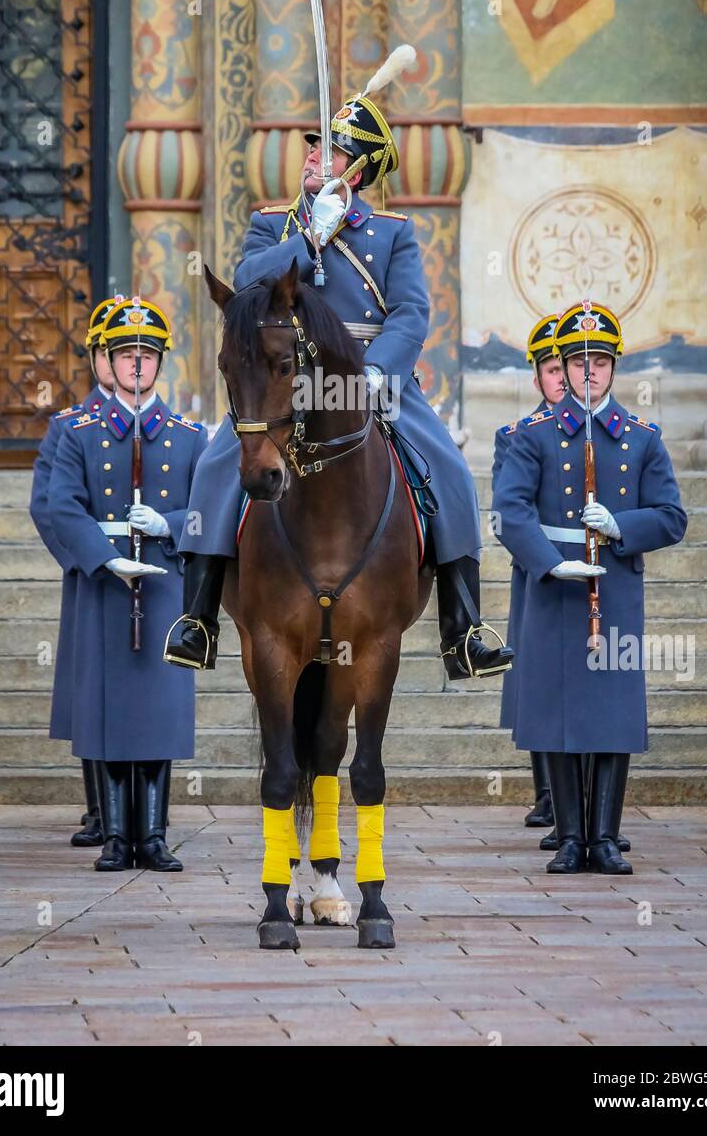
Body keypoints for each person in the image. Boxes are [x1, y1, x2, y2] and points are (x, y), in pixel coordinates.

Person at [166, 60, 511, 683]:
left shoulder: (392, 234)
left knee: (451, 472)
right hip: (282, 379)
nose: (314, 157)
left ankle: (464, 628)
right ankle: (197, 618)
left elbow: (410, 312)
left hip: (365, 384)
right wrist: (308, 237)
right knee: (219, 466)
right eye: (316, 146)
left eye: (331, 150)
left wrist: (379, 372)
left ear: (357, 169)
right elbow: (247, 284)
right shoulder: (274, 225)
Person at [494, 301, 687, 874]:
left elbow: (672, 516)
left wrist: (622, 526)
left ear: (613, 367)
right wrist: (550, 564)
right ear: (564, 368)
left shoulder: (642, 438)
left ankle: (605, 836)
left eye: (599, 361)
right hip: (555, 586)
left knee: (610, 712)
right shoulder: (533, 435)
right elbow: (509, 511)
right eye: (578, 362)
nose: (588, 372)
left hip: (616, 583)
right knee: (556, 712)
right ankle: (571, 836)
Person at [48, 297, 208, 871]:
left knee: (158, 709)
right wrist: (105, 559)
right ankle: (117, 836)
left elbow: (214, 512)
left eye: (146, 354)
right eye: (125, 354)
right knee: (109, 709)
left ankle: (156, 836)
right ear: (106, 361)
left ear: (160, 362)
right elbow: (60, 506)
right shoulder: (79, 432)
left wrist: (169, 525)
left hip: (163, 580)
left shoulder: (191, 436)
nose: (136, 365)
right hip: (106, 583)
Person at [29, 295, 123, 848]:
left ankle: (139, 818)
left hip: (150, 577)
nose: (126, 362)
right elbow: (47, 504)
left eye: (138, 351)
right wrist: (88, 556)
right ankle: (97, 809)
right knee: (92, 693)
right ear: (95, 358)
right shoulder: (69, 426)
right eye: (114, 352)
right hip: (93, 575)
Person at [491, 315, 565, 829]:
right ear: (537, 376)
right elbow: (507, 513)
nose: (563, 378)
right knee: (538, 683)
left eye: (570, 366)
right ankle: (547, 793)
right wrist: (549, 561)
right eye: (552, 369)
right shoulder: (515, 435)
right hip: (539, 574)